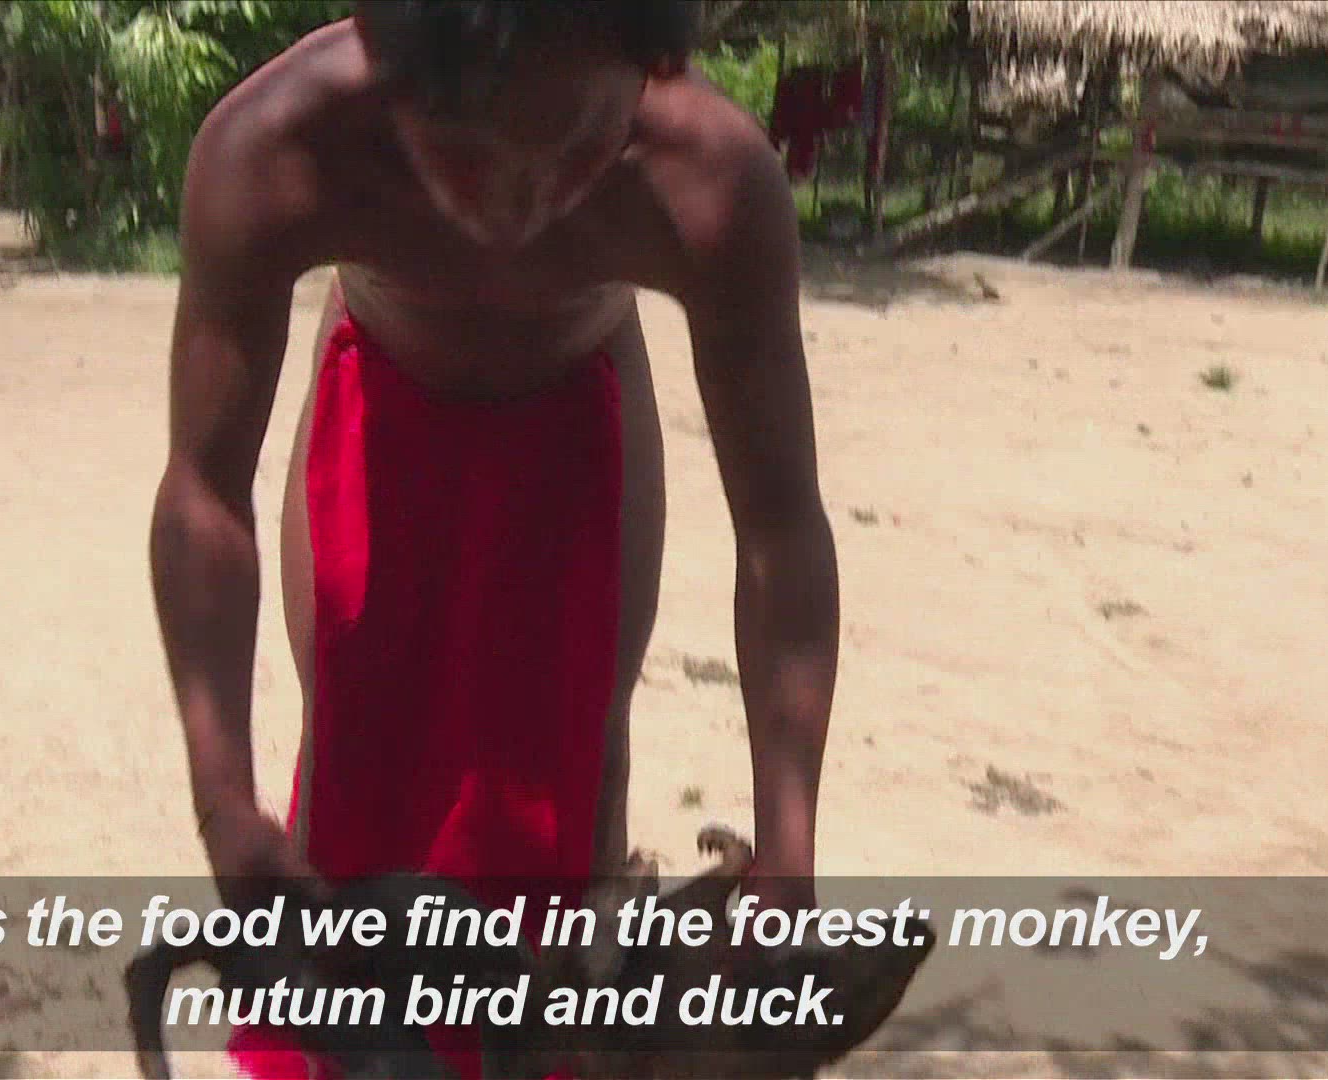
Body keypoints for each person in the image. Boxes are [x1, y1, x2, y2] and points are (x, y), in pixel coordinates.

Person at [150, 3, 840, 1075]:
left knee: (569, 804)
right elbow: (204, 491)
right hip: (379, 406)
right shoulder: (279, 148)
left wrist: (787, 848)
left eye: (577, 148)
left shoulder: (711, 181)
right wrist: (223, 803)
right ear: (392, 76)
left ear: (650, 68)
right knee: (353, 789)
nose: (518, 205)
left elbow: (781, 527)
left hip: (578, 429)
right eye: (464, 155)